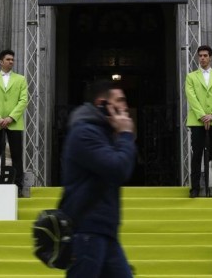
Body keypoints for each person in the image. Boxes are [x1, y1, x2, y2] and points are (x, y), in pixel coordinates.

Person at [60, 80, 135, 278]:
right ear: (102, 104)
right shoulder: (84, 133)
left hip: (104, 231)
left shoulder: (104, 134)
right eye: (120, 100)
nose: (125, 107)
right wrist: (126, 135)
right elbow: (118, 168)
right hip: (87, 230)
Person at [185, 45, 212, 198]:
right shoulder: (191, 76)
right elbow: (191, 98)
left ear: (210, 57)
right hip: (197, 121)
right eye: (200, 56)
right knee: (196, 154)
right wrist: (203, 116)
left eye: (205, 55)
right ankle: (195, 188)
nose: (202, 58)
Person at [0, 50, 29, 193]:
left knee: (16, 155)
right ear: (1, 62)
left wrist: (11, 117)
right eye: (8, 59)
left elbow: (24, 100)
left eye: (12, 60)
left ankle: (18, 186)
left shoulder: (21, 79)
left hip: (14, 122)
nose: (11, 62)